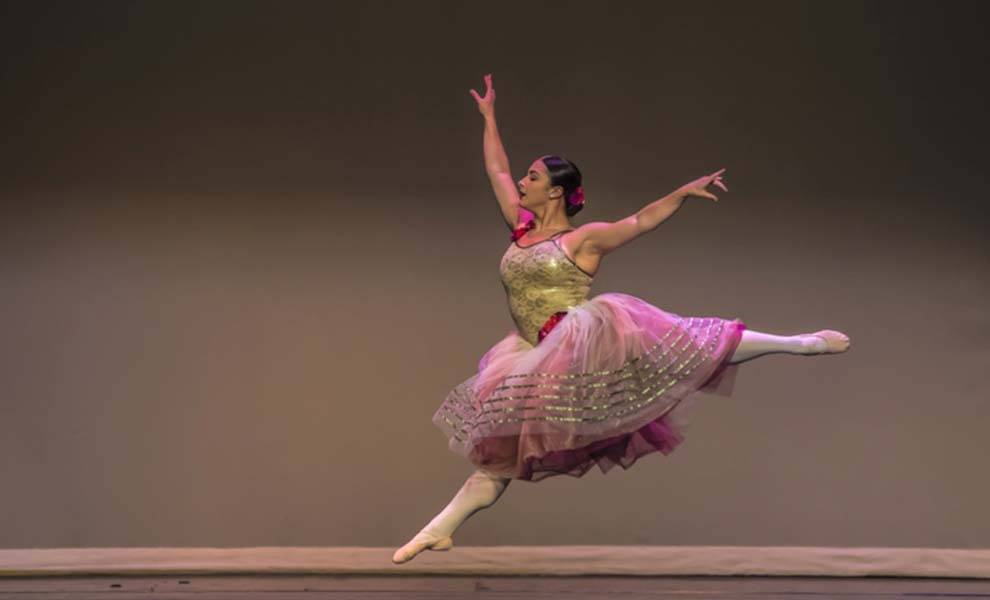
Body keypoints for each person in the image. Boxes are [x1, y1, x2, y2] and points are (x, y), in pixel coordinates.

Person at [392, 73, 850, 564]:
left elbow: (638, 221)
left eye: (533, 177)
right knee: (500, 455)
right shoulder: (520, 228)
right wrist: (489, 117)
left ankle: (800, 343)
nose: (522, 182)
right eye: (526, 176)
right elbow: (497, 170)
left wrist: (681, 193)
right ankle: (438, 531)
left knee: (690, 343)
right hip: (528, 356)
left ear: (555, 192)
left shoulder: (582, 240)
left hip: (577, 343)